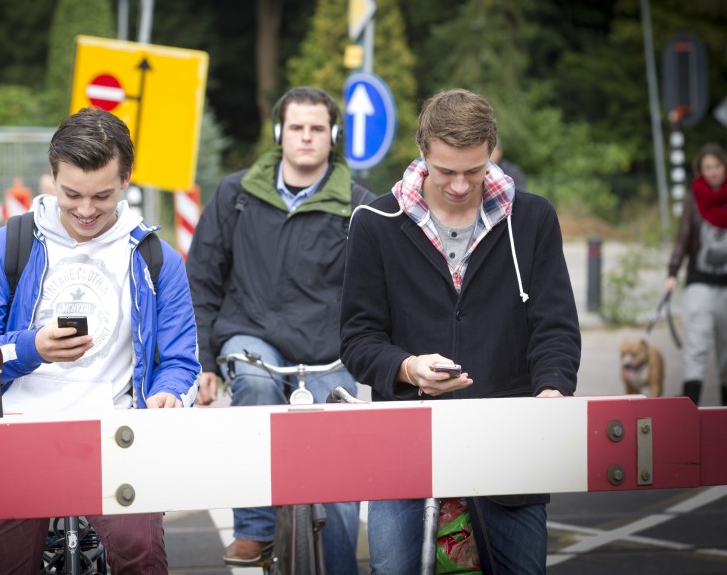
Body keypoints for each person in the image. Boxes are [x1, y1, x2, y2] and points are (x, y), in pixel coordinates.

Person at [339, 88, 580, 574]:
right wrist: (407, 368)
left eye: (473, 170)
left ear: (492, 149)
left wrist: (553, 389)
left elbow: (555, 326)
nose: (458, 184)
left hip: (511, 444)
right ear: (423, 150)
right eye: (446, 171)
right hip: (403, 443)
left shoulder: (532, 219)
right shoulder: (374, 223)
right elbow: (358, 339)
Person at [0, 106, 201, 573]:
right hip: (17, 437)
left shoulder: (157, 260)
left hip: (118, 438)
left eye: (102, 196)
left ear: (126, 180)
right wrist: (30, 348)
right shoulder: (6, 246)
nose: (86, 211)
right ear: (52, 178)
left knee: (142, 554)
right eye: (72, 195)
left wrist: (169, 394)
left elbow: (182, 360)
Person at [187, 86, 369, 572]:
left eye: (316, 129)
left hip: (328, 351)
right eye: (296, 128)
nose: (306, 138)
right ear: (278, 133)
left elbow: (377, 297)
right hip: (251, 333)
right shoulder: (236, 195)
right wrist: (204, 363)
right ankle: (255, 529)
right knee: (254, 380)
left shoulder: (360, 207)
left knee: (339, 467)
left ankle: (338, 568)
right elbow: (201, 281)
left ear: (331, 135)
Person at [666, 142, 727, 406]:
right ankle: (691, 405)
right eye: (708, 167)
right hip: (700, 282)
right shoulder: (694, 199)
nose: (713, 172)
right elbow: (683, 238)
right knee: (697, 345)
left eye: (717, 166)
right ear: (701, 171)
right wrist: (672, 271)